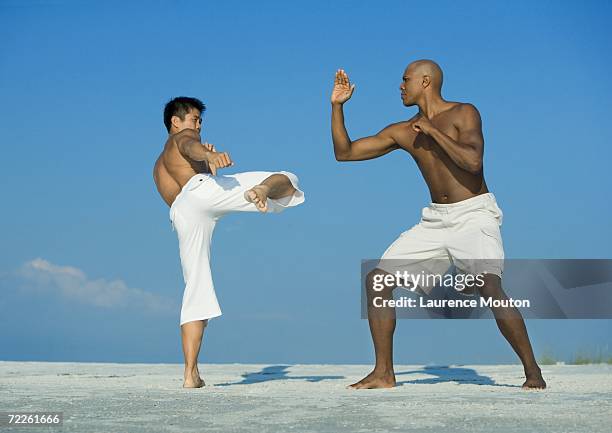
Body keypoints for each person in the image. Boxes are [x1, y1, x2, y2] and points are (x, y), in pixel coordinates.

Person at [331, 60, 546, 389]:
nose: (400, 86)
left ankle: (533, 373)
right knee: (376, 279)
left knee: (489, 285)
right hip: (435, 220)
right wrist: (337, 107)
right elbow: (345, 154)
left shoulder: (464, 113)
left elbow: (473, 163)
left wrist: (433, 132)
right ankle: (384, 373)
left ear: (425, 81)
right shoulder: (402, 130)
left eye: (405, 80)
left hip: (474, 214)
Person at [153, 97, 305, 388]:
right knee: (288, 178)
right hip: (199, 193)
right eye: (194, 119)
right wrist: (208, 155)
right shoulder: (182, 138)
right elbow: (188, 144)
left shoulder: (159, 165)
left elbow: (190, 191)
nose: (198, 125)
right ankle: (261, 189)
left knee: (195, 288)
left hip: (181, 212)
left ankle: (190, 374)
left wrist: (206, 166)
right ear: (176, 121)